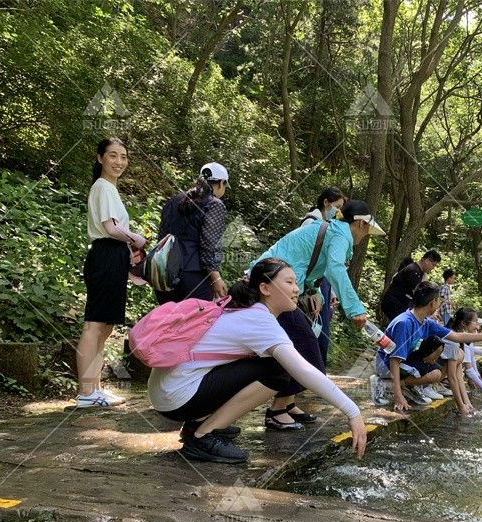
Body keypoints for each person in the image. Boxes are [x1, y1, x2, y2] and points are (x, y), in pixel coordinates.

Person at [147, 258, 367, 463]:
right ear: (265, 288)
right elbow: (303, 370)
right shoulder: (259, 320)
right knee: (278, 371)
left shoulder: (240, 308)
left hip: (167, 390)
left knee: (268, 365)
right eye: (289, 282)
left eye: (296, 282)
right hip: (176, 397)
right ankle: (203, 436)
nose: (296, 289)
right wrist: (352, 412)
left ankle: (198, 424)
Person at [250, 200, 385, 430]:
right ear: (361, 224)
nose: (366, 236)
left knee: (299, 346)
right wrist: (355, 309)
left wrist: (312, 290)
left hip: (272, 289)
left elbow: (309, 262)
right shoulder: (341, 235)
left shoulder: (332, 230)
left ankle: (287, 403)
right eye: (367, 231)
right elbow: (334, 268)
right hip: (271, 292)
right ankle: (277, 410)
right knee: (309, 350)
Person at [75, 138, 147, 408]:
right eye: (113, 156)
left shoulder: (109, 189)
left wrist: (128, 250)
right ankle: (86, 392)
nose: (119, 162)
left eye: (123, 156)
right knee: (94, 324)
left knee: (105, 327)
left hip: (113, 256)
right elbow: (109, 227)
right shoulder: (103, 187)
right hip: (105, 255)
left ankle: (95, 389)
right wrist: (135, 238)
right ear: (100, 158)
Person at [375, 282, 482, 412]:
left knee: (436, 373)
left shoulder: (425, 322)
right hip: (386, 364)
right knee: (434, 374)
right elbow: (394, 360)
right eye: (438, 300)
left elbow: (457, 337)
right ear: (432, 302)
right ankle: (386, 385)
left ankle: (409, 386)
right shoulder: (405, 323)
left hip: (405, 360)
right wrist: (398, 398)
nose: (439, 303)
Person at [155, 163, 230, 303]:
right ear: (221, 183)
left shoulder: (173, 201)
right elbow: (209, 244)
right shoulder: (215, 204)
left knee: (169, 323)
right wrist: (216, 277)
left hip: (164, 274)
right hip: (194, 276)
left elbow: (161, 237)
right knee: (196, 324)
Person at [299, 187, 348, 366]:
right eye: (337, 206)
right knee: (313, 331)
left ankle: (316, 373)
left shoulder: (329, 225)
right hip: (311, 284)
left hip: (322, 284)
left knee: (321, 330)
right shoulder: (311, 223)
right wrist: (313, 290)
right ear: (326, 203)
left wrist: (332, 291)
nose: (338, 211)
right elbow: (306, 261)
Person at [380, 250, 441, 321]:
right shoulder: (413, 271)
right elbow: (420, 295)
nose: (433, 268)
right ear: (427, 260)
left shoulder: (420, 273)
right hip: (394, 303)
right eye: (433, 264)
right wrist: (430, 309)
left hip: (400, 304)